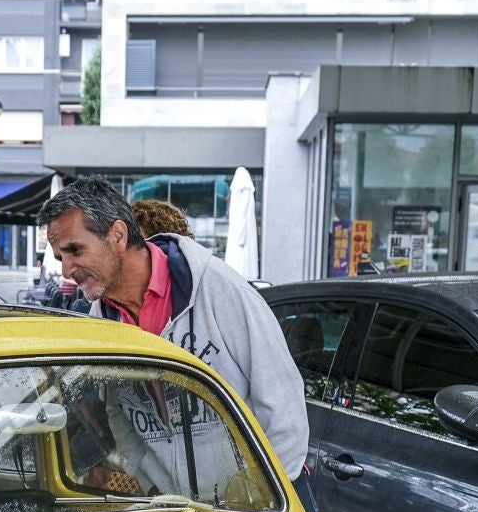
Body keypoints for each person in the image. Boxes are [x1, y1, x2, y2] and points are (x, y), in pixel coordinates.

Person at [39, 178, 309, 488]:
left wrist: (261, 492)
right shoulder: (102, 318)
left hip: (264, 502)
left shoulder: (217, 287)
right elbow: (117, 411)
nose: (66, 270)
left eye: (75, 250)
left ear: (118, 235)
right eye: (61, 257)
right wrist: (153, 482)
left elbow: (281, 399)